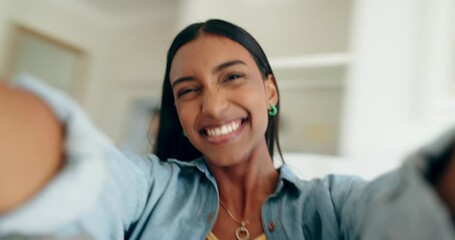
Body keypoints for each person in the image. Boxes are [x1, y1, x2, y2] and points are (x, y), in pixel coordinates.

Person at [0, 19, 454, 240]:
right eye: (188, 90)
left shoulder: (333, 204)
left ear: (270, 91)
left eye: (232, 77)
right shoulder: (150, 191)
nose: (214, 107)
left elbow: (406, 213)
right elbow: (89, 180)